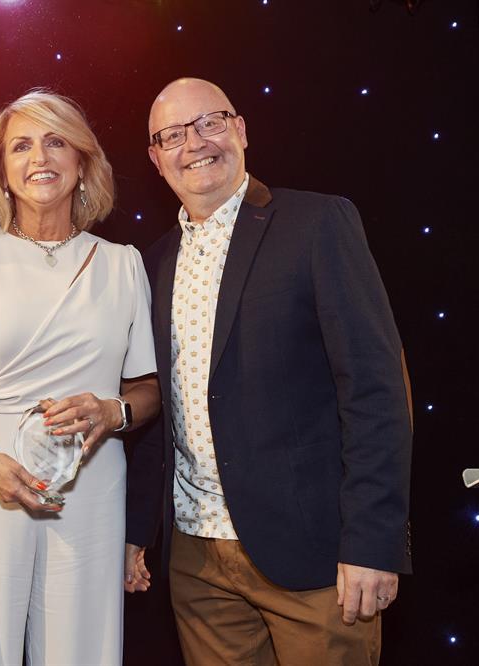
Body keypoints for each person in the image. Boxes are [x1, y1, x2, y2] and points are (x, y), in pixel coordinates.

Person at [124, 78, 413, 665]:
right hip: (196, 561)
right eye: (173, 135)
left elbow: (377, 392)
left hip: (315, 557)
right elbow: (158, 406)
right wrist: (137, 533)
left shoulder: (317, 223)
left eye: (211, 123)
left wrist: (373, 541)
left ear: (241, 130)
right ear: (156, 159)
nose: (195, 143)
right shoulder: (149, 263)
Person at [0, 89, 161, 665]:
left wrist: (112, 412)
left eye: (55, 141)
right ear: (1, 170)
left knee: (81, 653)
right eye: (20, 145)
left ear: (82, 162)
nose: (39, 157)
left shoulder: (122, 264)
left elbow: (148, 391)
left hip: (90, 482)